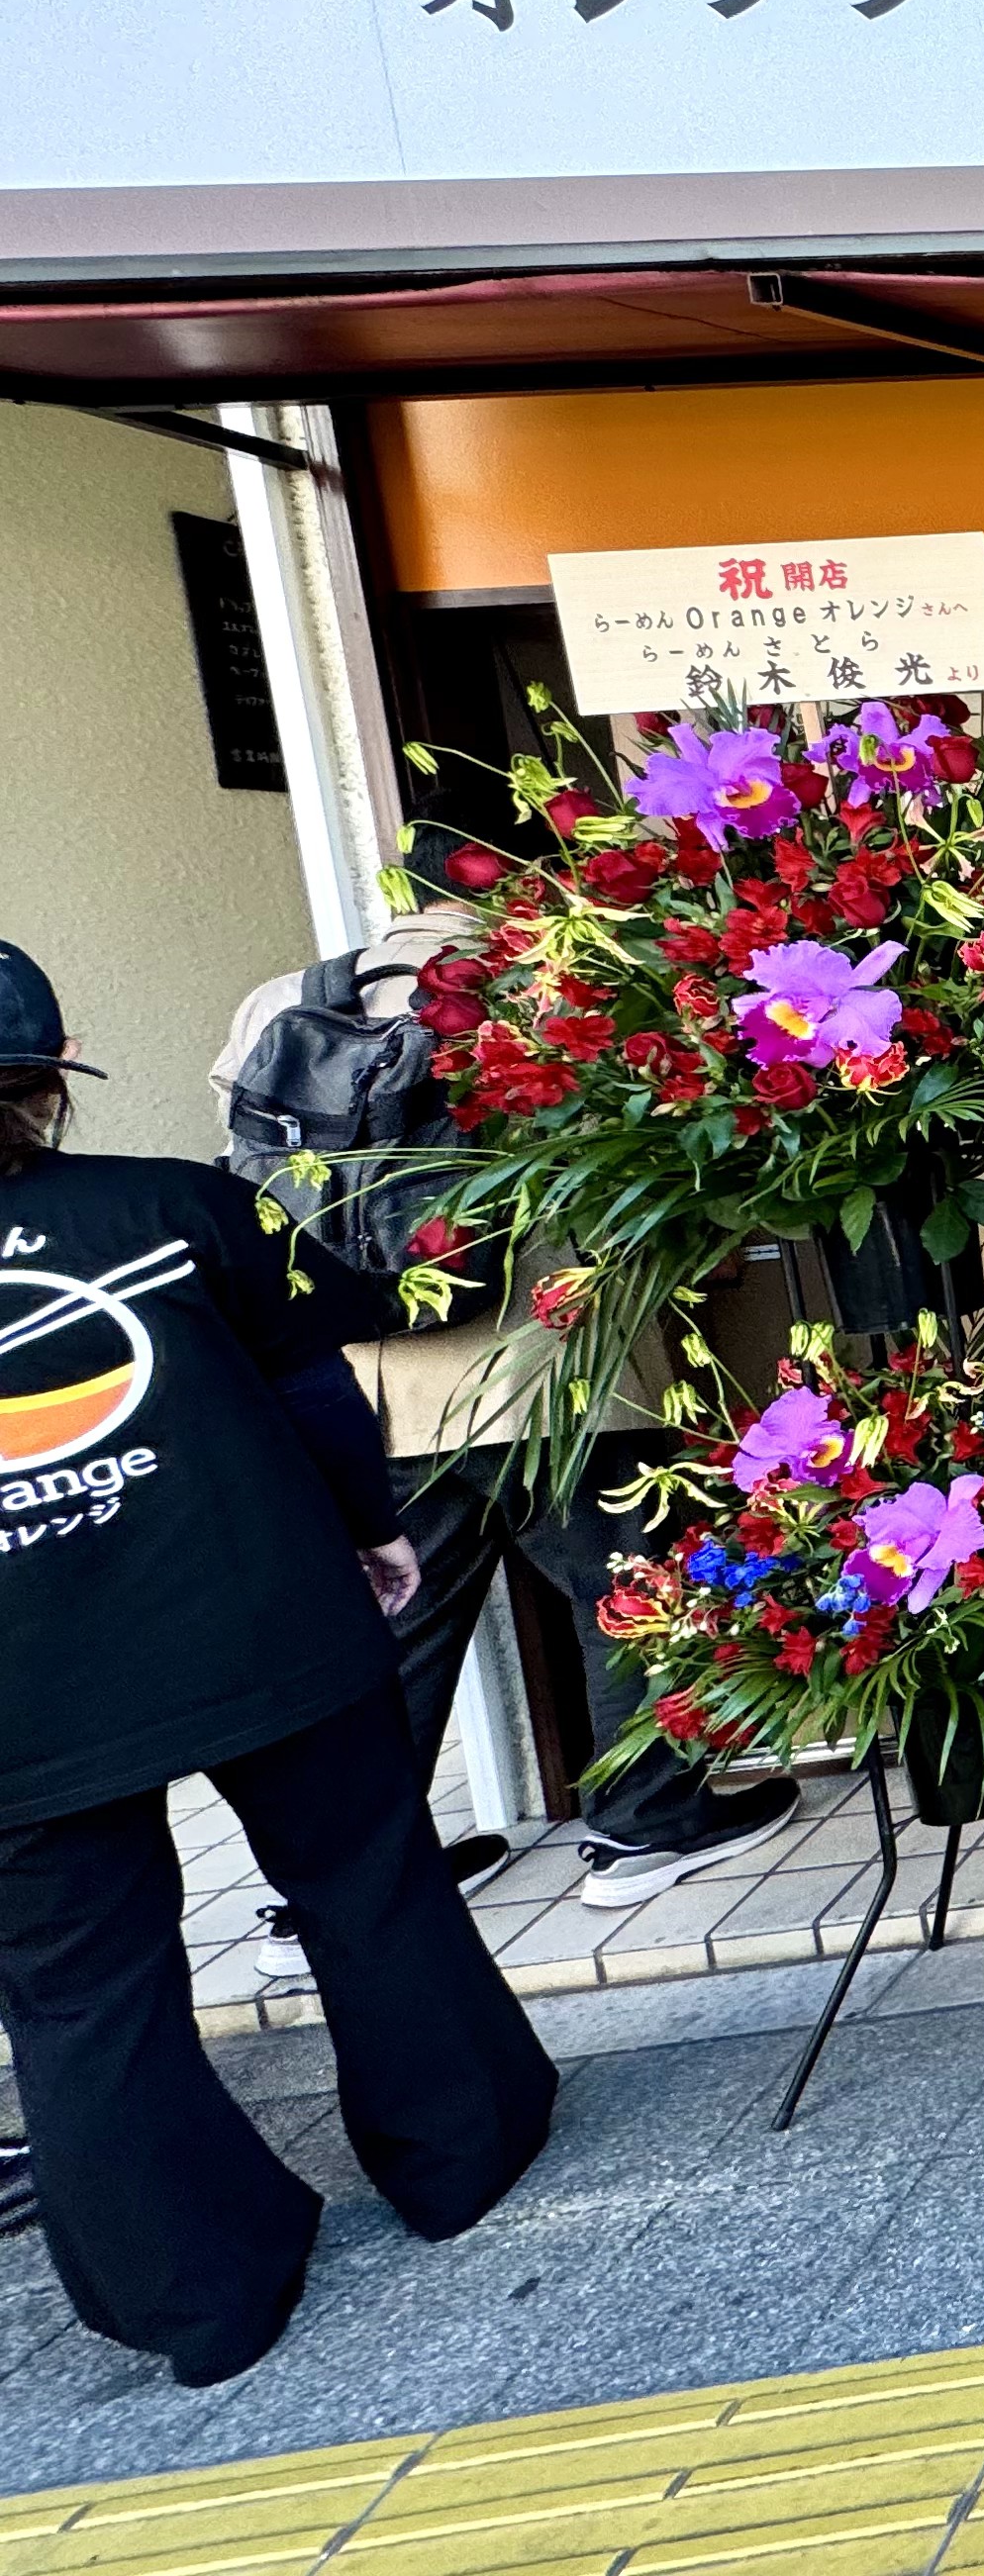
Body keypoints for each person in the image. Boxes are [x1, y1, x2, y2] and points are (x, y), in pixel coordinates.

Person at [0, 938, 554, 2384]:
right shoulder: (177, 1207)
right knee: (366, 1879)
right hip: (252, 1613)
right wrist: (374, 1535)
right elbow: (316, 1379)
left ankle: (204, 2304)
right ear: (45, 1086)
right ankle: (461, 2162)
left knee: (79, 1991)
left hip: (17, 1702)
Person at [212, 830, 795, 1968]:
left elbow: (251, 1171)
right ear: (530, 889)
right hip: (556, 1366)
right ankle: (644, 1827)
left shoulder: (285, 1002)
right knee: (626, 1592)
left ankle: (337, 1883)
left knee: (401, 1630)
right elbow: (676, 1165)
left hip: (375, 1386)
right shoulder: (570, 986)